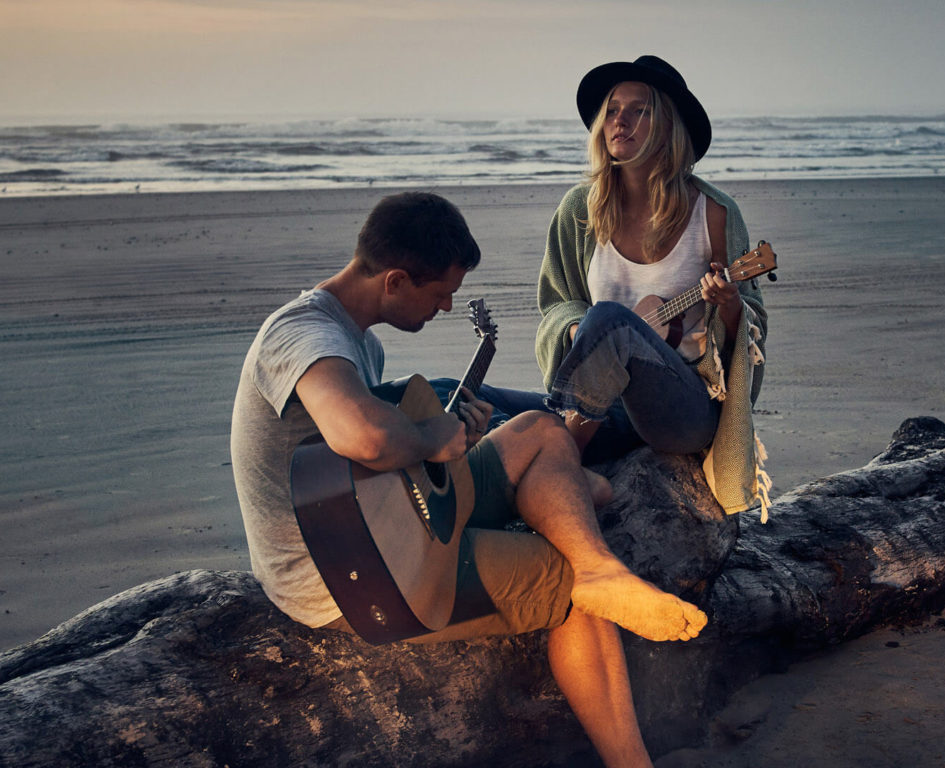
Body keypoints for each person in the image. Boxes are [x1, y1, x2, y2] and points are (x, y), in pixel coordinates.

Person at [230, 191, 708, 768]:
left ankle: (595, 565)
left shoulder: (362, 340)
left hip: (386, 518)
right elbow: (365, 438)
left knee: (538, 429)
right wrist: (434, 439)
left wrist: (454, 440)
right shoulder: (304, 335)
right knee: (568, 588)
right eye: (441, 294)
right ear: (396, 280)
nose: (449, 308)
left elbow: (368, 463)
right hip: (345, 574)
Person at [535, 55, 771, 518]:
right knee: (468, 398)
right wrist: (575, 331)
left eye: (638, 110)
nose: (618, 120)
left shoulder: (714, 214)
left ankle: (558, 462)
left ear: (667, 127)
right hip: (603, 405)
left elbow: (751, 328)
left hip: (682, 409)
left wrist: (728, 307)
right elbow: (557, 303)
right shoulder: (581, 209)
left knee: (611, 322)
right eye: (613, 109)